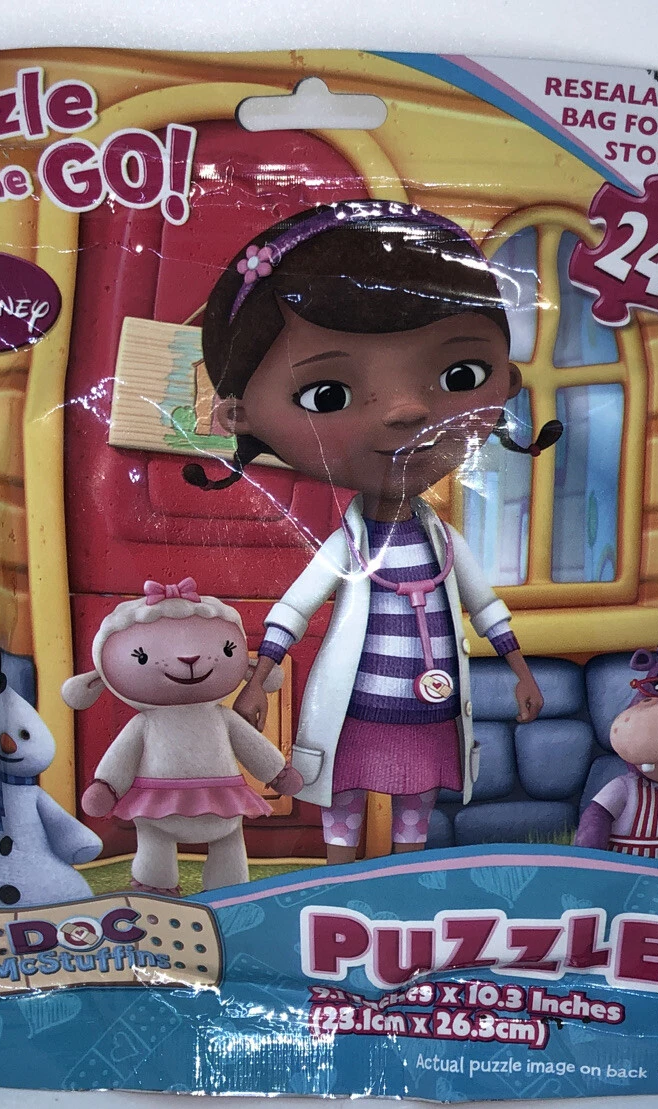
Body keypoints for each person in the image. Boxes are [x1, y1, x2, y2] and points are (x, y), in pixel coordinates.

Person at [184, 201, 560, 864]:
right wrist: (258, 679)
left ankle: (403, 878)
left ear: (508, 381)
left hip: (431, 706)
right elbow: (296, 607)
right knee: (346, 795)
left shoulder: (444, 543)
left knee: (418, 801)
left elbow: (486, 607)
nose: (408, 410)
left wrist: (521, 672)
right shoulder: (348, 544)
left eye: (461, 376)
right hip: (359, 704)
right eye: (326, 394)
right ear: (238, 414)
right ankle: (339, 880)